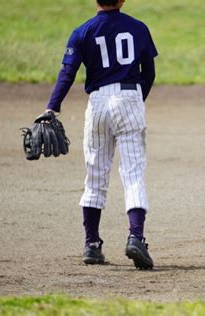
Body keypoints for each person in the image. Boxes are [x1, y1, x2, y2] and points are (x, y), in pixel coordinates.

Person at [43, 0, 158, 269]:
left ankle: (92, 245)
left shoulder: (82, 31)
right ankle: (135, 237)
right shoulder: (138, 27)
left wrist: (52, 107)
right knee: (133, 173)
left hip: (97, 103)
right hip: (130, 96)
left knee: (95, 173)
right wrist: (136, 101)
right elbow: (149, 73)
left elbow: (67, 72)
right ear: (122, 0)